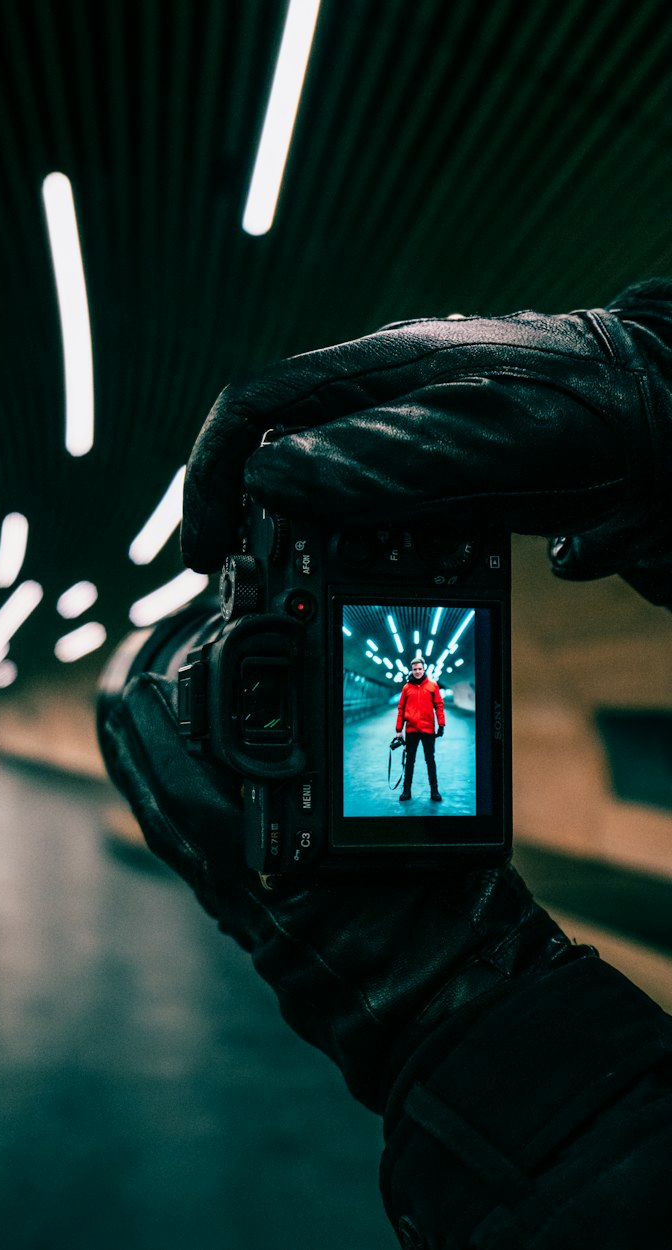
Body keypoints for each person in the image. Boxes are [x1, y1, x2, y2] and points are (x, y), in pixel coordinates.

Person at [100, 280, 672, 1249]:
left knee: (409, 771)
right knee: (410, 768)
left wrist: (456, 1012)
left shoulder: (417, 679)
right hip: (408, 743)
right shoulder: (412, 682)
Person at [395, 657, 446, 801]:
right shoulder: (406, 688)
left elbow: (439, 706)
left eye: (419, 669)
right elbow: (401, 709)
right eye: (414, 669)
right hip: (411, 730)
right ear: (411, 670)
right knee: (409, 761)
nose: (417, 672)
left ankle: (434, 791)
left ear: (424, 669)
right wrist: (399, 729)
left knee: (430, 760)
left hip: (428, 730)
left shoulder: (432, 686)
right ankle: (406, 791)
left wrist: (441, 724)